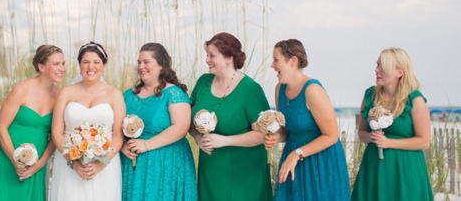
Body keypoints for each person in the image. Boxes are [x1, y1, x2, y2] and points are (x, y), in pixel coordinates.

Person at [190, 33, 272, 201]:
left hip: (243, 171)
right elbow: (188, 117)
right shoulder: (203, 82)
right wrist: (198, 138)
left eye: (212, 56)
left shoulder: (250, 89)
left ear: (229, 58)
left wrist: (225, 141)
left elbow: (261, 135)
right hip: (210, 167)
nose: (207, 60)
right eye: (207, 55)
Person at [265, 39, 350, 201]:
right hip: (293, 160)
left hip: (321, 162)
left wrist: (297, 154)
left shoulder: (312, 90)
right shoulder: (279, 90)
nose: (272, 65)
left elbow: (331, 136)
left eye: (276, 60)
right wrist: (276, 137)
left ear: (293, 61)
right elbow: (287, 130)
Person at [351, 48, 433, 200]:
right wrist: (371, 137)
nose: (376, 70)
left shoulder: (415, 100)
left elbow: (424, 141)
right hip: (374, 167)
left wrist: (389, 142)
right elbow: (361, 133)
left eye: (382, 67)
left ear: (399, 72)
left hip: (406, 168)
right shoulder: (370, 96)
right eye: (377, 65)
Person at [120, 42, 197, 201]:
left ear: (161, 65)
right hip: (132, 164)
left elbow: (181, 128)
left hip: (165, 163)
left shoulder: (173, 93)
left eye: (146, 62)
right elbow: (115, 126)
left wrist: (146, 145)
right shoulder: (127, 95)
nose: (141, 66)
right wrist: (122, 146)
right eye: (139, 62)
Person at [49, 42, 125, 201]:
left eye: (96, 62)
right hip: (68, 163)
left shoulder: (114, 95)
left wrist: (100, 164)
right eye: (86, 62)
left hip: (104, 165)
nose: (91, 67)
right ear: (79, 65)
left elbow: (118, 136)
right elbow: (56, 132)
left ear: (104, 65)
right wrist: (74, 163)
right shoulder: (66, 93)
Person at [0, 45, 65, 200]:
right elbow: (1, 127)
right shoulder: (21, 89)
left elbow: (55, 137)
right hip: (7, 158)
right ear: (41, 67)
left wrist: (38, 165)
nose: (62, 68)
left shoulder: (60, 96)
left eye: (63, 63)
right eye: (56, 64)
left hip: (36, 163)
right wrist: (15, 160)